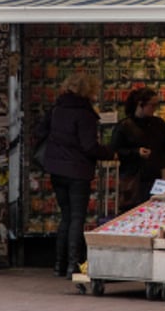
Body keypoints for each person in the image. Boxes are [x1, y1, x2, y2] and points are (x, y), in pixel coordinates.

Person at [38, 73, 113, 278]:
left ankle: (58, 265)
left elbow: (39, 132)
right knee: (77, 218)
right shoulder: (84, 114)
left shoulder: (56, 109)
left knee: (66, 216)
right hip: (78, 171)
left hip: (56, 169)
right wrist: (108, 152)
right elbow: (89, 146)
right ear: (88, 90)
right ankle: (73, 264)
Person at [111, 87, 165, 208]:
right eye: (152, 105)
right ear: (140, 104)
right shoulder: (124, 126)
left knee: (159, 209)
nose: (155, 109)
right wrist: (136, 152)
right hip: (134, 180)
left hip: (157, 178)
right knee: (134, 211)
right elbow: (115, 151)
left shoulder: (158, 124)